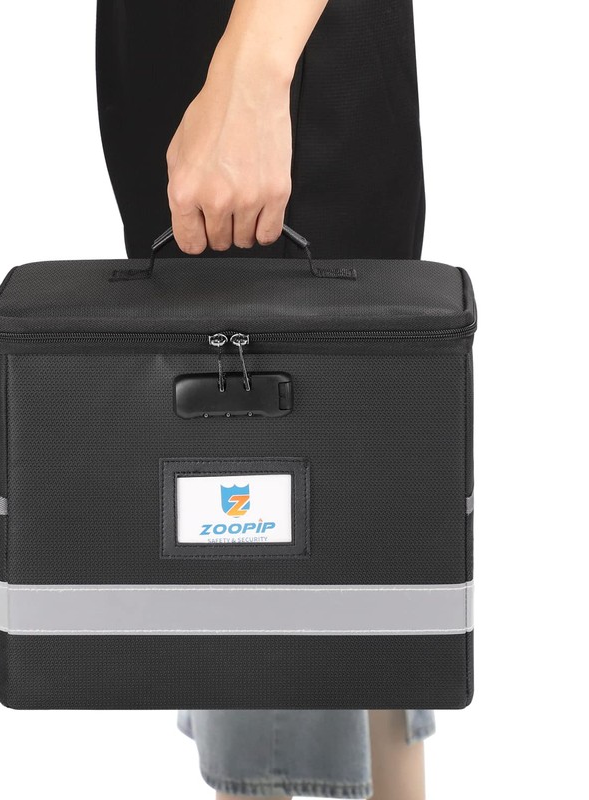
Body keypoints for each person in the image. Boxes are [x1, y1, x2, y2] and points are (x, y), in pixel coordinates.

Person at [96, 1, 434, 797]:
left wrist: (252, 71)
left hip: (272, 67)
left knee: (272, 584)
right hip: (192, 65)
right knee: (322, 591)